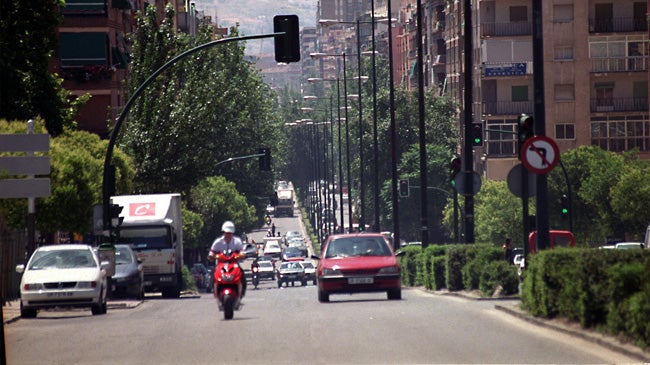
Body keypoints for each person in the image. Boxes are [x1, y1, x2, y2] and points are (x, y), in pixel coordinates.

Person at [208, 220, 247, 297]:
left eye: (230, 233)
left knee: (242, 274)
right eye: (226, 233)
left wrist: (241, 255)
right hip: (220, 265)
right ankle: (213, 289)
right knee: (213, 273)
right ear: (223, 232)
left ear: (232, 233)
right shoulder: (218, 242)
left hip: (234, 264)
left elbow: (242, 251)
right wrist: (212, 256)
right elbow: (211, 252)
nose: (228, 235)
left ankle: (242, 291)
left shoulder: (237, 241)